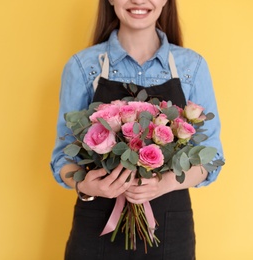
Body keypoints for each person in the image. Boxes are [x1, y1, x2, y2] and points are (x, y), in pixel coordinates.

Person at [50, 0, 224, 259]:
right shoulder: (82, 67)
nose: (139, 0)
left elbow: (211, 159)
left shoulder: (192, 67)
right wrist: (88, 186)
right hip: (96, 227)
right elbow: (64, 157)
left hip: (170, 231)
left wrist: (161, 184)